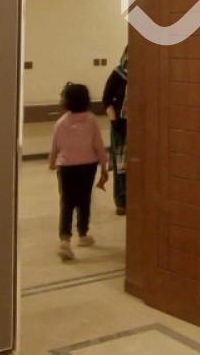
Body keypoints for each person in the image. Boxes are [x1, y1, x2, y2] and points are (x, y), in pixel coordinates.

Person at [49, 83, 108, 261]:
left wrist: (52, 163)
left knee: (66, 202)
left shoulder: (60, 123)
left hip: (66, 167)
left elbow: (55, 146)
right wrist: (104, 165)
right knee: (84, 200)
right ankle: (83, 234)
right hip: (87, 166)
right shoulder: (91, 120)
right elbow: (98, 145)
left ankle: (65, 240)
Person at [102, 48, 128, 215]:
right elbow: (106, 100)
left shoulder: (146, 74)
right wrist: (114, 120)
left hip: (141, 128)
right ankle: (121, 201)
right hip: (120, 126)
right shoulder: (117, 74)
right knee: (121, 166)